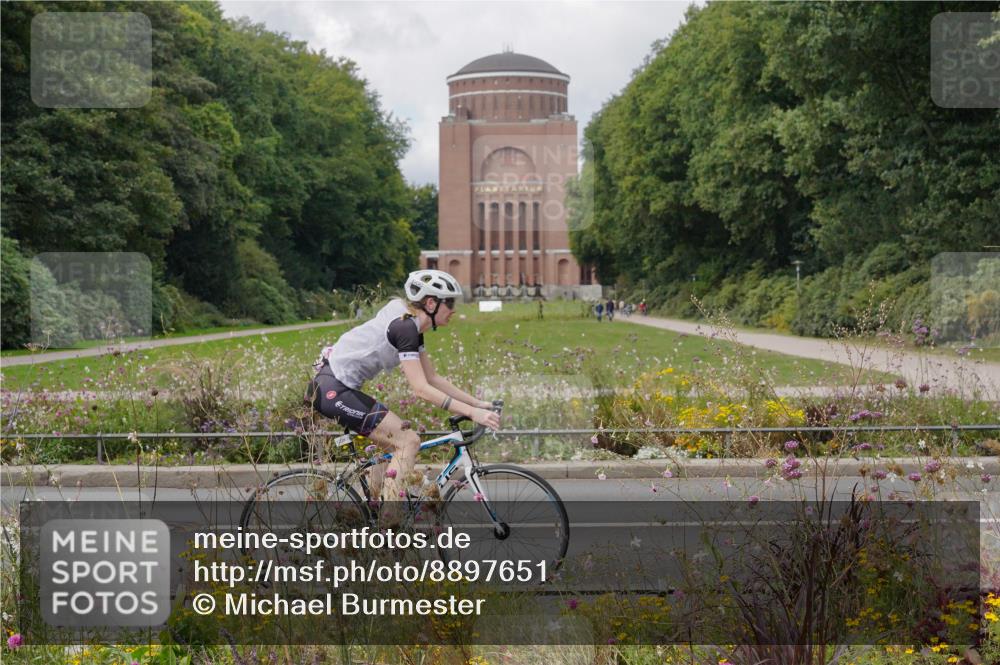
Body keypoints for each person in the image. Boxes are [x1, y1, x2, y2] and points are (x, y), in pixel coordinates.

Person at [307, 269, 501, 504]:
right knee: (408, 441)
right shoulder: (405, 328)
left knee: (386, 449)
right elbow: (420, 388)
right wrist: (472, 413)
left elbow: (432, 378)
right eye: (449, 303)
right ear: (431, 303)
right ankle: (391, 525)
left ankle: (373, 514)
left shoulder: (412, 327)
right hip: (333, 389)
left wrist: (478, 404)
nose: (454, 309)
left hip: (337, 385)